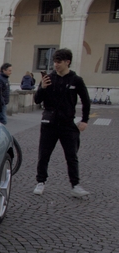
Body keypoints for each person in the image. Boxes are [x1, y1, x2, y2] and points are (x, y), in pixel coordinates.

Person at [33, 48, 91, 197]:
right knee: (44, 154)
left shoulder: (76, 80)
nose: (56, 65)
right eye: (54, 62)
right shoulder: (49, 78)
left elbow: (86, 101)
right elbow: (37, 100)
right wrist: (43, 87)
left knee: (72, 156)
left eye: (59, 62)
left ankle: (75, 185)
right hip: (49, 123)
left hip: (67, 123)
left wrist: (84, 120)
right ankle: (40, 182)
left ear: (67, 62)